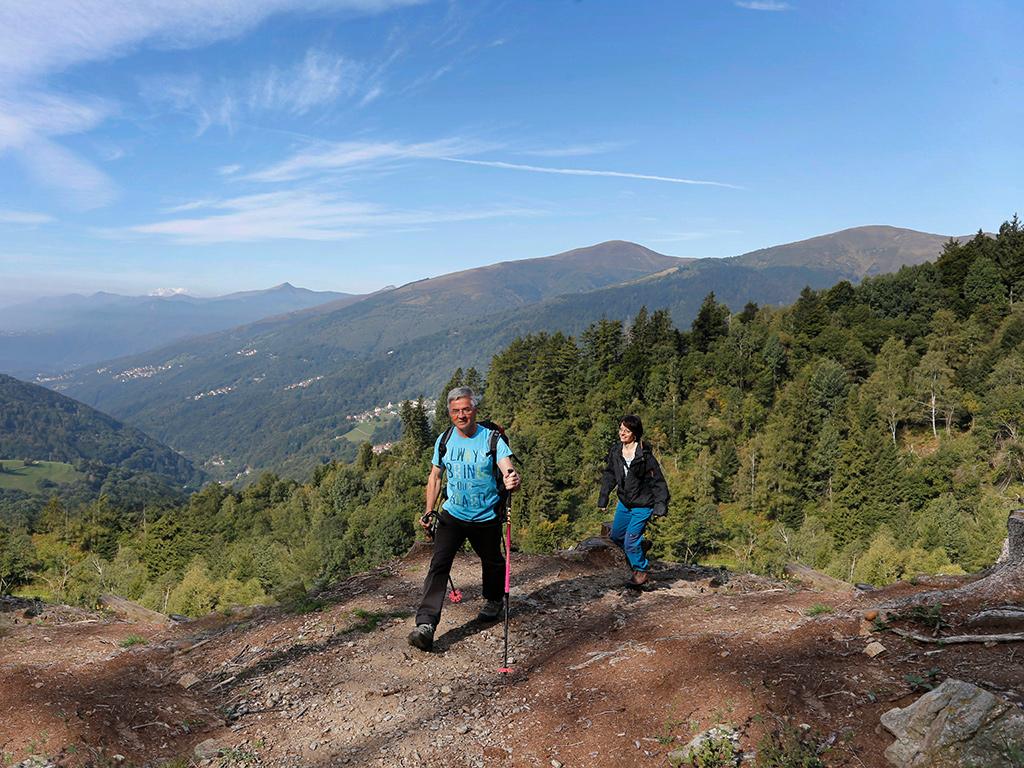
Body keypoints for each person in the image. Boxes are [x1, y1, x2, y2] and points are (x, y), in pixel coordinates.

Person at [408, 386, 521, 651]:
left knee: (492, 561)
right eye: (456, 411)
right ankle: (426, 624)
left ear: (475, 410)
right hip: (453, 515)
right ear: (449, 413)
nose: (461, 415)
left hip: (485, 516)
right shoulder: (444, 439)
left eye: (466, 409)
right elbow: (435, 477)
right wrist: (428, 510)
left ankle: (493, 600)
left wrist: (512, 479)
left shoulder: (491, 439)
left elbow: (508, 468)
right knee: (439, 564)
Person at [598, 414, 669, 587]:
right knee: (616, 536)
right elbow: (610, 475)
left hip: (643, 505)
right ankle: (637, 549)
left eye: (627, 431)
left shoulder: (644, 457)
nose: (622, 433)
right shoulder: (616, 451)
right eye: (621, 429)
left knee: (630, 541)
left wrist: (660, 505)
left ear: (635, 434)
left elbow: (658, 481)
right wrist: (604, 497)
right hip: (625, 502)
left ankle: (641, 572)